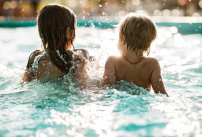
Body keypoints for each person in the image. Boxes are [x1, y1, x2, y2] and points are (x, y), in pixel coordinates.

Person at [22, 4, 91, 88]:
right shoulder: (79, 55)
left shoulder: (35, 58)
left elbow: (23, 84)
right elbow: (83, 86)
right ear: (69, 32)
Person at [102, 13, 168, 96]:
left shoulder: (112, 61)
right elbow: (161, 94)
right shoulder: (152, 64)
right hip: (143, 104)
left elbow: (105, 90)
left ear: (123, 38)